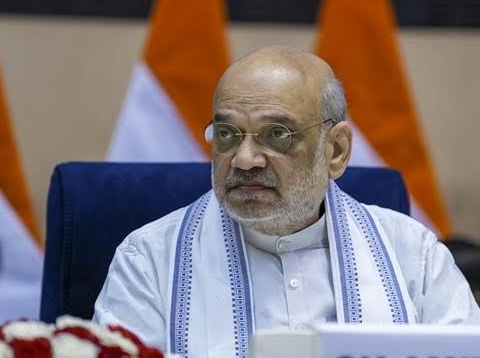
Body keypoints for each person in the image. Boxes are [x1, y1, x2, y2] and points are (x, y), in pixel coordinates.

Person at [93, 46, 480, 357]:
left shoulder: (414, 254)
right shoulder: (149, 260)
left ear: (336, 151)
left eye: (277, 134)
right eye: (227, 134)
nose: (245, 160)